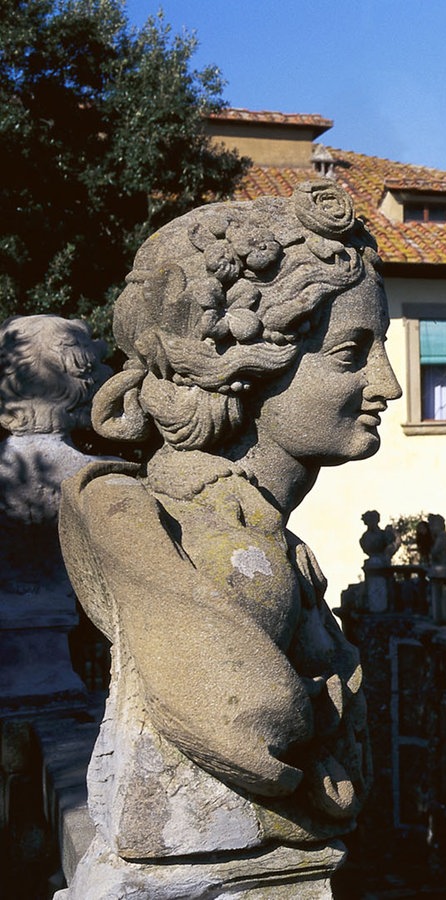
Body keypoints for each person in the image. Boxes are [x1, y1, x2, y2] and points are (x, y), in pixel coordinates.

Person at [58, 180, 401, 869]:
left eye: (380, 348)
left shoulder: (268, 542)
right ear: (241, 370)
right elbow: (261, 727)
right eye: (350, 353)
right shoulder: (223, 558)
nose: (388, 385)